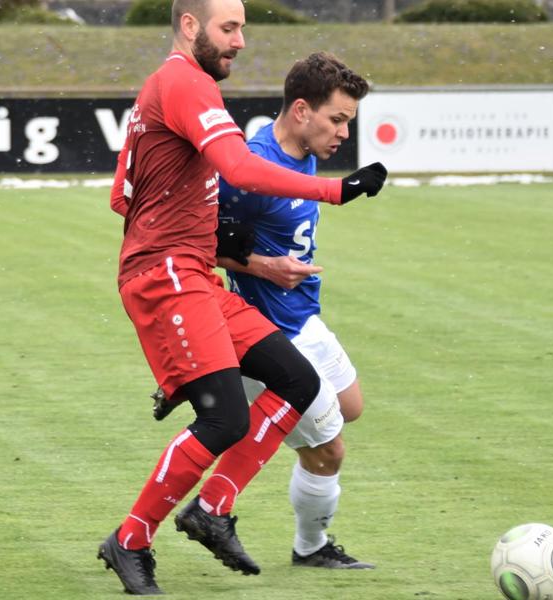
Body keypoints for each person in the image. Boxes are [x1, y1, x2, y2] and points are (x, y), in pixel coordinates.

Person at [98, 0, 388, 595]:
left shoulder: (179, 86)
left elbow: (123, 194)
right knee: (226, 417)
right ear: (189, 26)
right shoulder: (184, 82)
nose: (241, 42)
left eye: (242, 30)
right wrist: (335, 191)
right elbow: (239, 166)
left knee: (298, 381)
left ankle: (212, 509)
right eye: (229, 29)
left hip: (193, 276)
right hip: (168, 276)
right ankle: (129, 540)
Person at [216, 52, 375, 570]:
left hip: (303, 319)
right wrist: (262, 268)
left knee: (349, 406)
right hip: (267, 335)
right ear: (301, 110)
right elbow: (198, 244)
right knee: (329, 450)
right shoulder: (250, 167)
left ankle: (253, 414)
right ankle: (311, 547)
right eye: (338, 120)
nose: (343, 134)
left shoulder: (304, 150)